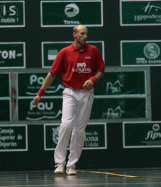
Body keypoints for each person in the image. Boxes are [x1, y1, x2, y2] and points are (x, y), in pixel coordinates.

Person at [33, 25, 105, 175]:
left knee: (79, 130)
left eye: (87, 33)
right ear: (74, 34)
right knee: (66, 125)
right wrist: (40, 93)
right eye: (82, 33)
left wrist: (92, 79)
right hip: (70, 92)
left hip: (87, 94)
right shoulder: (64, 53)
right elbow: (52, 73)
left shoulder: (93, 51)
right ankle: (60, 163)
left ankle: (71, 165)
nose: (85, 36)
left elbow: (100, 71)